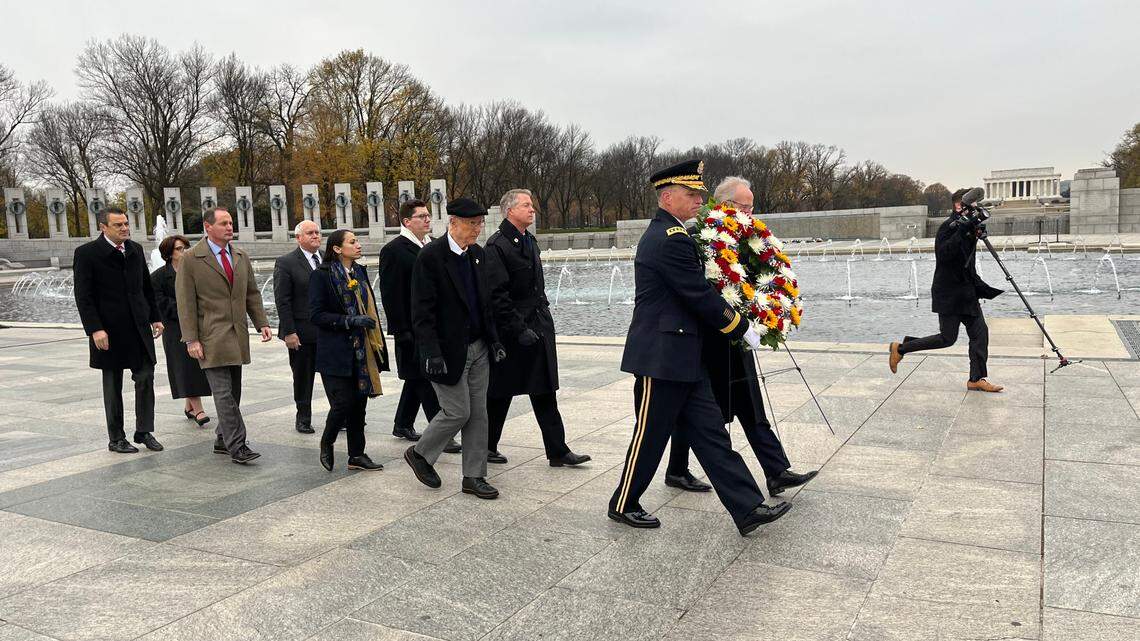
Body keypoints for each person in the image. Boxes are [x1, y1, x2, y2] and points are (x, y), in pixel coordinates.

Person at [608, 159, 791, 536]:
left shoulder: (676, 234)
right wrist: (741, 327)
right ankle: (624, 502)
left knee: (711, 435)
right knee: (651, 434)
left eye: (699, 194)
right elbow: (698, 295)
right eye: (691, 194)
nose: (698, 200)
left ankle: (747, 508)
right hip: (661, 357)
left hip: (684, 354)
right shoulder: (668, 239)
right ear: (668, 196)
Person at [664, 177, 817, 496]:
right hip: (710, 338)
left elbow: (756, 278)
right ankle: (677, 469)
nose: (750, 212)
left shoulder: (747, 238)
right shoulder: (698, 236)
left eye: (751, 206)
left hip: (738, 334)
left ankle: (776, 470)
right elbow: (699, 290)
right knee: (698, 409)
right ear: (724, 206)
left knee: (751, 404)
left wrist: (767, 308)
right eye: (744, 206)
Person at [403, 198, 507, 500]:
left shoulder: (477, 255)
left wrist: (494, 341)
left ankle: (474, 476)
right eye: (470, 223)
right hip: (446, 351)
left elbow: (483, 304)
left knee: (478, 414)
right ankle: (420, 453)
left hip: (479, 348)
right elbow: (421, 311)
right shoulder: (430, 257)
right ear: (452, 223)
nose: (476, 229)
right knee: (458, 411)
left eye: (479, 223)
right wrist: (430, 352)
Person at [483, 188, 590, 467]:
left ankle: (558, 451)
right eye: (526, 205)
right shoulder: (497, 246)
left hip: (537, 324)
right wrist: (519, 329)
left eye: (532, 205)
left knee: (544, 389)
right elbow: (498, 296)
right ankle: (485, 446)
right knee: (500, 392)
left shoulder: (528, 240)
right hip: (512, 331)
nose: (533, 210)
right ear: (510, 210)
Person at [176, 207, 272, 464]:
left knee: (234, 392)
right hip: (210, 338)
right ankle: (237, 445)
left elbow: (252, 292)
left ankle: (222, 438)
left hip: (237, 335)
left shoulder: (240, 255)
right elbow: (185, 303)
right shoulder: (191, 258)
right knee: (223, 393)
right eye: (223, 223)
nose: (230, 227)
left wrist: (261, 322)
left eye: (231, 223)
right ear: (208, 227)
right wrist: (191, 339)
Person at [890, 188, 1004, 391]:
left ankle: (976, 379)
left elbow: (967, 261)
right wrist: (963, 230)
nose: (976, 208)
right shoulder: (947, 228)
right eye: (972, 205)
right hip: (949, 293)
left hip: (967, 292)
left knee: (980, 333)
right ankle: (901, 348)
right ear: (959, 206)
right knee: (947, 339)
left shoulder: (969, 226)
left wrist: (975, 232)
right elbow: (944, 256)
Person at [73, 207, 164, 454]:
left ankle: (144, 431)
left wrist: (155, 317)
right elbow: (84, 296)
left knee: (145, 376)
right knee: (112, 384)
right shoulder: (87, 254)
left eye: (126, 224)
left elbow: (146, 287)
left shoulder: (134, 249)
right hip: (108, 331)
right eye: (118, 225)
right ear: (103, 227)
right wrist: (95, 329)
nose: (125, 228)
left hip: (138, 328)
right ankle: (116, 438)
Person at [309, 229, 388, 472]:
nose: (358, 245)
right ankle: (328, 441)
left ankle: (357, 455)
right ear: (336, 248)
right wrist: (349, 320)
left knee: (359, 405)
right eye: (352, 242)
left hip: (361, 350)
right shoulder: (321, 276)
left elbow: (370, 306)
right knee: (342, 404)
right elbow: (316, 315)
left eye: (357, 241)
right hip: (335, 352)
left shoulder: (360, 272)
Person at [378, 199, 447, 447]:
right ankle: (440, 432)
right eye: (422, 216)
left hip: (431, 323)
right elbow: (390, 294)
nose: (427, 219)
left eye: (428, 215)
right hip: (410, 327)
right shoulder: (394, 250)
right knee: (423, 377)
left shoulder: (433, 245)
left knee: (415, 376)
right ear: (407, 221)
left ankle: (402, 423)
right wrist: (401, 329)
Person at [151, 235, 212, 427]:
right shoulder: (158, 277)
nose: (183, 252)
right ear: (169, 254)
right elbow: (160, 303)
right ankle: (199, 408)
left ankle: (189, 406)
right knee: (185, 367)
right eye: (179, 249)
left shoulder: (195, 271)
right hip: (175, 328)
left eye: (185, 248)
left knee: (197, 365)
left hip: (198, 324)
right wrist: (186, 308)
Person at [273, 220, 322, 433]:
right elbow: (282, 300)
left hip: (327, 330)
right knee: (303, 377)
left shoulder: (326, 261)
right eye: (310, 233)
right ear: (298, 238)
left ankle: (341, 415)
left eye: (317, 232)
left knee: (334, 374)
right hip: (301, 332)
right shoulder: (286, 262)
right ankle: (303, 417)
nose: (315, 236)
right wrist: (289, 332)